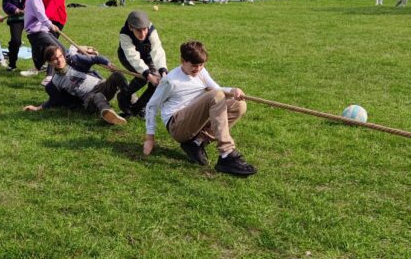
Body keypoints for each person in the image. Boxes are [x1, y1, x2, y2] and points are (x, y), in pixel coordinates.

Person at [143, 39, 256, 176]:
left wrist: (233, 90)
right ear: (183, 61)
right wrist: (149, 139)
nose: (198, 68)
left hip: (195, 122)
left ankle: (196, 143)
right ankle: (226, 153)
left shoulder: (201, 72)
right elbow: (151, 106)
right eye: (194, 65)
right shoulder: (170, 81)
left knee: (239, 105)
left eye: (201, 65)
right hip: (177, 125)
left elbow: (217, 89)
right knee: (215, 96)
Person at [23, 45, 129, 125]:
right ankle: (110, 115)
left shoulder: (75, 61)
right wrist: (37, 108)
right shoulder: (54, 83)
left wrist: (108, 63)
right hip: (89, 99)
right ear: (49, 62)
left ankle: (131, 105)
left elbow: (95, 59)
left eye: (60, 56)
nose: (59, 60)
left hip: (101, 86)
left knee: (118, 75)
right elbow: (53, 100)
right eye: (55, 59)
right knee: (98, 96)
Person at [117, 9, 168, 116]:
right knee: (143, 78)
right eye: (138, 30)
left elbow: (157, 50)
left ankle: (137, 109)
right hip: (128, 57)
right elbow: (132, 56)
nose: (143, 34)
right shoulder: (124, 34)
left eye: (144, 29)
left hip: (147, 56)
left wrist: (163, 71)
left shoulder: (151, 30)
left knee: (157, 82)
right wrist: (147, 74)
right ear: (131, 27)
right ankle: (124, 95)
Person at [21, 0, 65, 75]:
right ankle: (51, 76)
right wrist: (50, 25)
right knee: (57, 50)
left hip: (41, 31)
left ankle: (49, 73)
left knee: (58, 49)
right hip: (37, 33)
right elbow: (40, 14)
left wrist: (48, 26)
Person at [2, 0, 27, 72]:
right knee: (16, 41)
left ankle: (39, 65)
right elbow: (6, 3)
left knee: (37, 40)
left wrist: (27, 8)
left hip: (30, 17)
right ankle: (12, 63)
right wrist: (15, 9)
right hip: (16, 18)